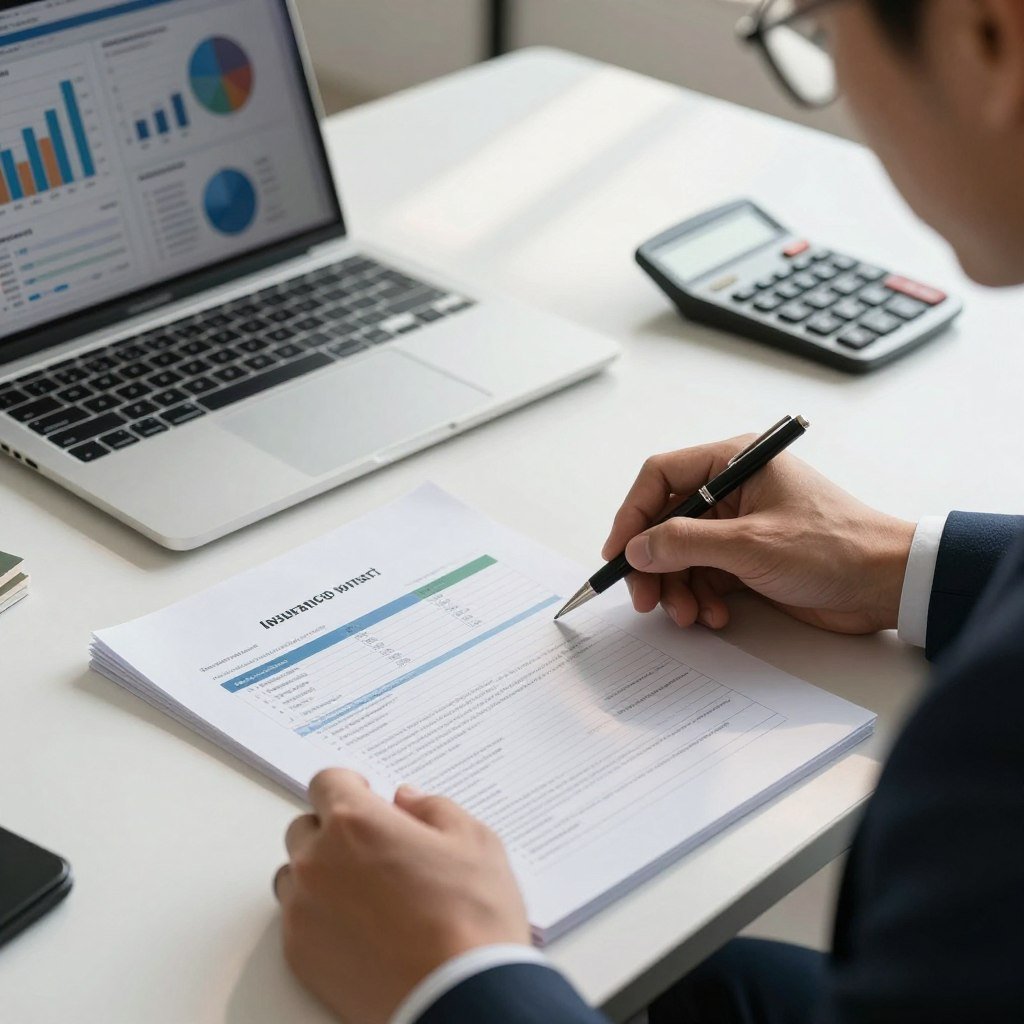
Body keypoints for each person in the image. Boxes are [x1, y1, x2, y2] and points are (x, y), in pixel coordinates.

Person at [272, 1, 1024, 1021]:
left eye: (817, 17)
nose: (834, 68)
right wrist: (895, 563)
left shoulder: (991, 749)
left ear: (990, 38)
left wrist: (453, 978)